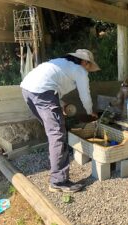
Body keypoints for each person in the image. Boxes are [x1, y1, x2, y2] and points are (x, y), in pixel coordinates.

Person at [20, 49, 100, 192]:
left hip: (28, 89)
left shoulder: (61, 63)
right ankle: (59, 181)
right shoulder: (79, 70)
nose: (88, 69)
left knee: (53, 132)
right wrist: (90, 112)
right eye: (89, 65)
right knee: (57, 134)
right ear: (85, 62)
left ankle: (55, 168)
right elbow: (85, 95)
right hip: (41, 92)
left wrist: (62, 105)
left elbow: (51, 87)